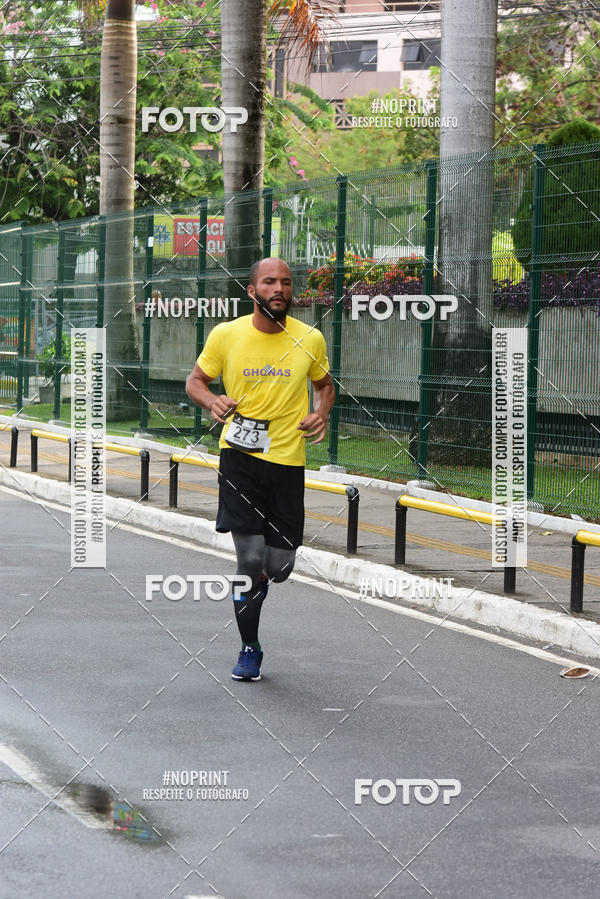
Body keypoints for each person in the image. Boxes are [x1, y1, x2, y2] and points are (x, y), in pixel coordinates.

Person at [186, 258, 335, 681]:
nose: (279, 289)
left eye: (286, 282)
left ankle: (258, 585)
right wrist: (211, 400)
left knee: (280, 565)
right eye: (269, 282)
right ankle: (249, 647)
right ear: (252, 291)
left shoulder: (310, 338)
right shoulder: (227, 335)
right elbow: (196, 380)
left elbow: (325, 386)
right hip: (240, 460)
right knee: (249, 560)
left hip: (288, 462)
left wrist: (321, 412)